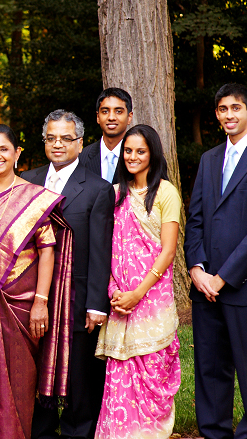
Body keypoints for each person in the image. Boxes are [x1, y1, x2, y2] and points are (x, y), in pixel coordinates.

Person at [0, 124, 74, 439]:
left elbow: (48, 251)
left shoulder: (33, 198)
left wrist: (40, 302)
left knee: (19, 384)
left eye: (3, 149)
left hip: (20, 308)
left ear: (17, 153)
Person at [184, 83, 247, 439]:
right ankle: (214, 433)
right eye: (223, 109)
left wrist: (223, 277)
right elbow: (194, 218)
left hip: (244, 286)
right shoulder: (209, 159)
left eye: (236, 108)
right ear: (217, 114)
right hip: (204, 287)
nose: (229, 115)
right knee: (210, 369)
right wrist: (197, 269)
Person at [22, 110, 114, 439]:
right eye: (51, 138)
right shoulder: (28, 181)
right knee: (36, 378)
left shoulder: (97, 189)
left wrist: (96, 304)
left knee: (79, 381)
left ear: (79, 143)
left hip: (77, 300)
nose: (57, 144)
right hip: (33, 299)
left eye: (65, 138)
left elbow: (101, 250)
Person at [94, 124, 182, 439]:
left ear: (152, 154)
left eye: (140, 151)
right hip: (120, 301)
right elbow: (108, 247)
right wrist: (116, 292)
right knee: (119, 382)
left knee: (153, 377)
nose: (132, 157)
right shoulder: (116, 193)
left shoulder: (166, 192)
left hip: (152, 301)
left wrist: (138, 294)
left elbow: (168, 250)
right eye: (128, 151)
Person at [80, 88, 133, 184]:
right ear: (98, 117)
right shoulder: (81, 158)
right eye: (105, 111)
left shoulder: (143, 158)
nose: (111, 117)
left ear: (129, 117)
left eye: (118, 111)